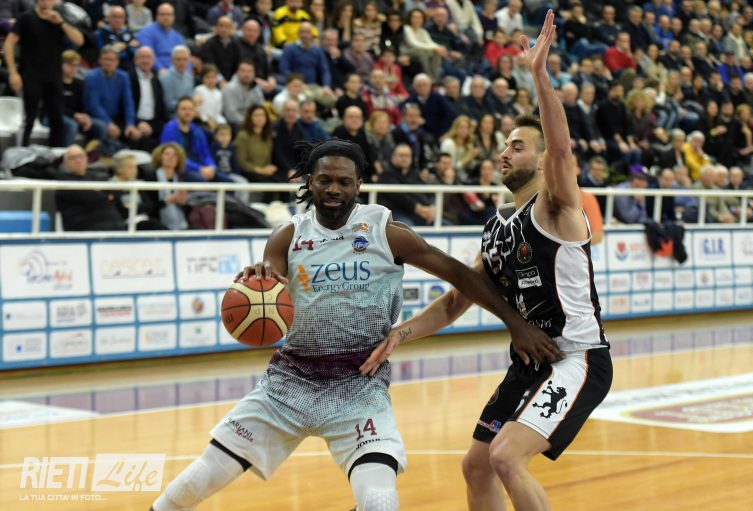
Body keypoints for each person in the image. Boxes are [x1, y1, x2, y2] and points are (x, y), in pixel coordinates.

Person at [149, 138, 560, 511]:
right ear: (310, 182)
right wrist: (261, 279)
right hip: (288, 384)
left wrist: (515, 324)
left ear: (358, 185)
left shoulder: (386, 231)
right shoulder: (287, 237)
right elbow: (271, 279)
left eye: (344, 182)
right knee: (191, 485)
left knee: (380, 502)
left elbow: (460, 274)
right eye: (324, 180)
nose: (334, 189)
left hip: (359, 386)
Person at [360, 12, 611, 511]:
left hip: (576, 359)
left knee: (506, 457)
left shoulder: (558, 207)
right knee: (476, 465)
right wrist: (399, 335)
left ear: (540, 159)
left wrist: (539, 76)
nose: (504, 152)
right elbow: (456, 301)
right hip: (530, 362)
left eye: (517, 146)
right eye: (504, 145)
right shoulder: (497, 226)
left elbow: (562, 151)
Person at [3, 0, 85, 147]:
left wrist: (61, 23)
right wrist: (13, 72)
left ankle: (55, 153)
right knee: (29, 120)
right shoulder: (26, 18)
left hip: (53, 76)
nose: (47, 2)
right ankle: (22, 153)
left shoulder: (58, 19)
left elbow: (79, 41)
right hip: (31, 75)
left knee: (57, 119)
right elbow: (9, 44)